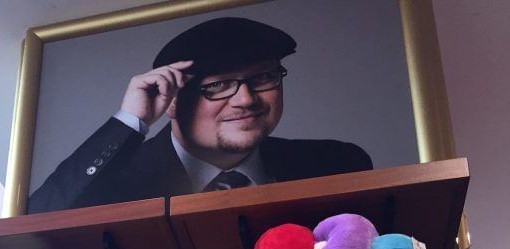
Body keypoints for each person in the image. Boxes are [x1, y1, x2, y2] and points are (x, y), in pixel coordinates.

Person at [27, 17, 373, 213]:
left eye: (263, 78)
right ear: (172, 101)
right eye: (219, 85)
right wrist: (130, 121)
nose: (246, 99)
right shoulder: (115, 180)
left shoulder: (335, 164)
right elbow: (37, 222)